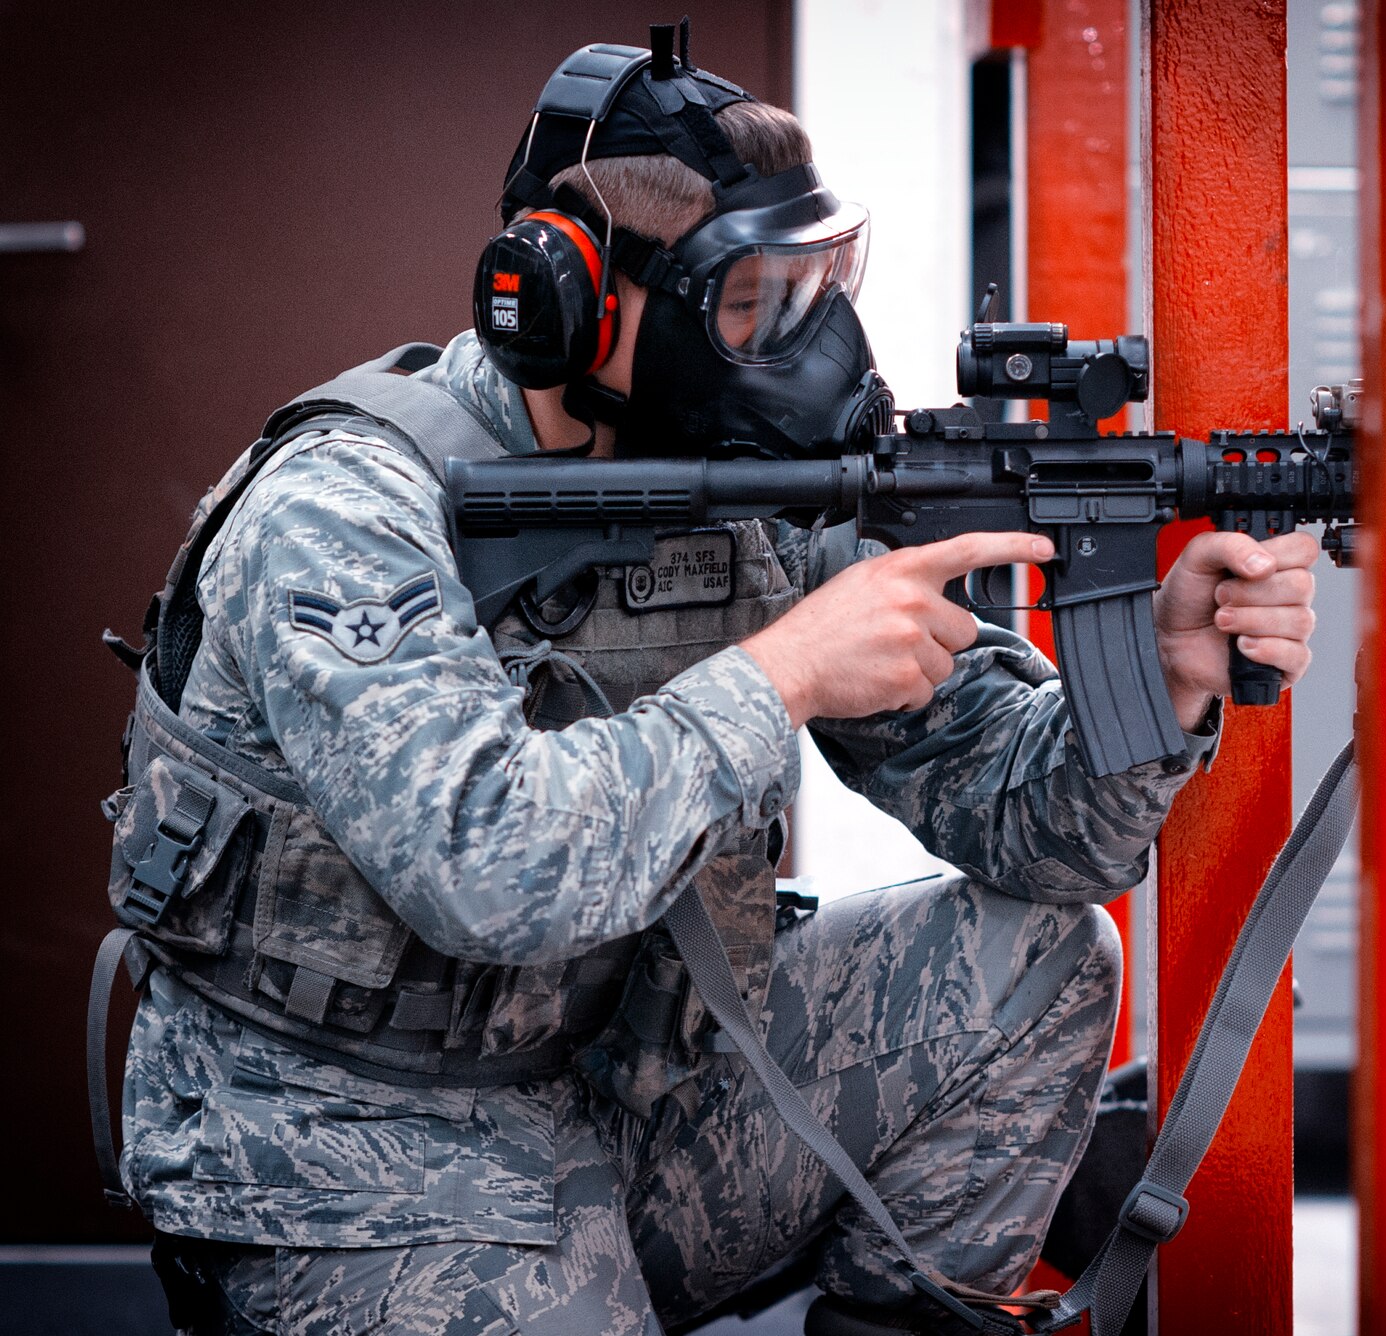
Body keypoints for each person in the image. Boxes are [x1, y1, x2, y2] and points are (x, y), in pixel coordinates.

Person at [99, 33, 1320, 1336]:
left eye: (821, 281)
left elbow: (1035, 832)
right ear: (578, 304)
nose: (807, 341)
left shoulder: (757, 482)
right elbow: (483, 866)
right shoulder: (347, 506)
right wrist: (780, 674)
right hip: (344, 1141)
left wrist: (1167, 677)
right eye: (757, 300)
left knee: (1041, 956)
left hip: (627, 1081)